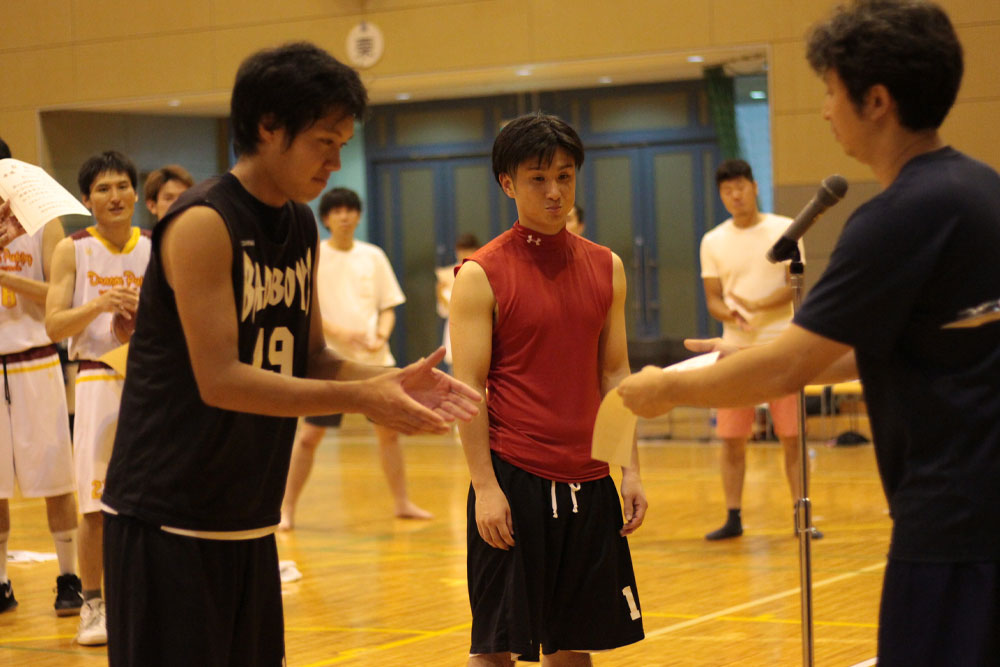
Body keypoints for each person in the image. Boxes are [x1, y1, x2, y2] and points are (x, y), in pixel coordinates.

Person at [618, 2, 1000, 664]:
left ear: (875, 101)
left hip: (952, 524)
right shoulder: (983, 189)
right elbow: (858, 349)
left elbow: (787, 369)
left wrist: (667, 390)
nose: (824, 110)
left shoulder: (896, 218)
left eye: (830, 91)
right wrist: (740, 354)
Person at [99, 42, 479, 666]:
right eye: (324, 142)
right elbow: (221, 380)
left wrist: (391, 381)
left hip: (248, 514)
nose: (336, 162)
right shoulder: (203, 223)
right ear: (268, 127)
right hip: (166, 515)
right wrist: (361, 398)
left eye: (342, 144)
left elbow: (313, 356)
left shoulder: (300, 225)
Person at [450, 112, 647, 665]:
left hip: (590, 480)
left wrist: (630, 470)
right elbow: (469, 388)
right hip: (514, 479)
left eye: (564, 176)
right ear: (508, 184)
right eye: (538, 178)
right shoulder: (480, 274)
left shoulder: (607, 266)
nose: (555, 191)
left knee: (575, 647)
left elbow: (615, 374)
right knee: (496, 647)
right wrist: (485, 487)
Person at [44, 150, 150, 646]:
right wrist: (99, 305)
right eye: (103, 189)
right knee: (95, 502)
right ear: (86, 199)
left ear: (136, 193)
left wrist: (139, 321)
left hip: (150, 381)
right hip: (96, 379)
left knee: (155, 499)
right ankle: (92, 603)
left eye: (122, 186)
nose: (115, 196)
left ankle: (148, 599)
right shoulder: (73, 249)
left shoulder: (156, 246)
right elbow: (53, 324)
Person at [279, 186, 431, 528]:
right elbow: (305, 309)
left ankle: (402, 502)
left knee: (389, 435)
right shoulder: (315, 255)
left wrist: (382, 334)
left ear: (358, 215)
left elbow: (388, 305)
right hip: (329, 362)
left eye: (350, 210)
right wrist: (340, 334)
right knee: (309, 437)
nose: (344, 216)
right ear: (326, 218)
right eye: (337, 211)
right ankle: (287, 509)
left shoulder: (373, 256)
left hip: (375, 361)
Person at [699, 158, 815, 540]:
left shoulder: (785, 230)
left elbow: (794, 284)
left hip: (782, 346)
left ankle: (801, 515)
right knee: (732, 439)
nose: (735, 195)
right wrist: (731, 312)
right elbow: (713, 299)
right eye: (727, 190)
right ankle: (733, 516)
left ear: (755, 187)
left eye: (741, 186)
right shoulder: (713, 240)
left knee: (792, 438)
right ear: (721, 195)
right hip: (734, 350)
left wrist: (758, 306)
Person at [0, 137, 83, 617]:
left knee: (55, 474)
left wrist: (7, 276)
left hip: (35, 359)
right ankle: (0, 581)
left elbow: (58, 293)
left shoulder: (43, 223)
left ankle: (68, 577)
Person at [435, 232, 481, 369]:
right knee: (455, 373)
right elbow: (444, 311)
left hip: (476, 328)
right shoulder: (451, 273)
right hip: (455, 329)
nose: (462, 254)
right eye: (460, 251)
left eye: (466, 250)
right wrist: (439, 292)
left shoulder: (482, 270)